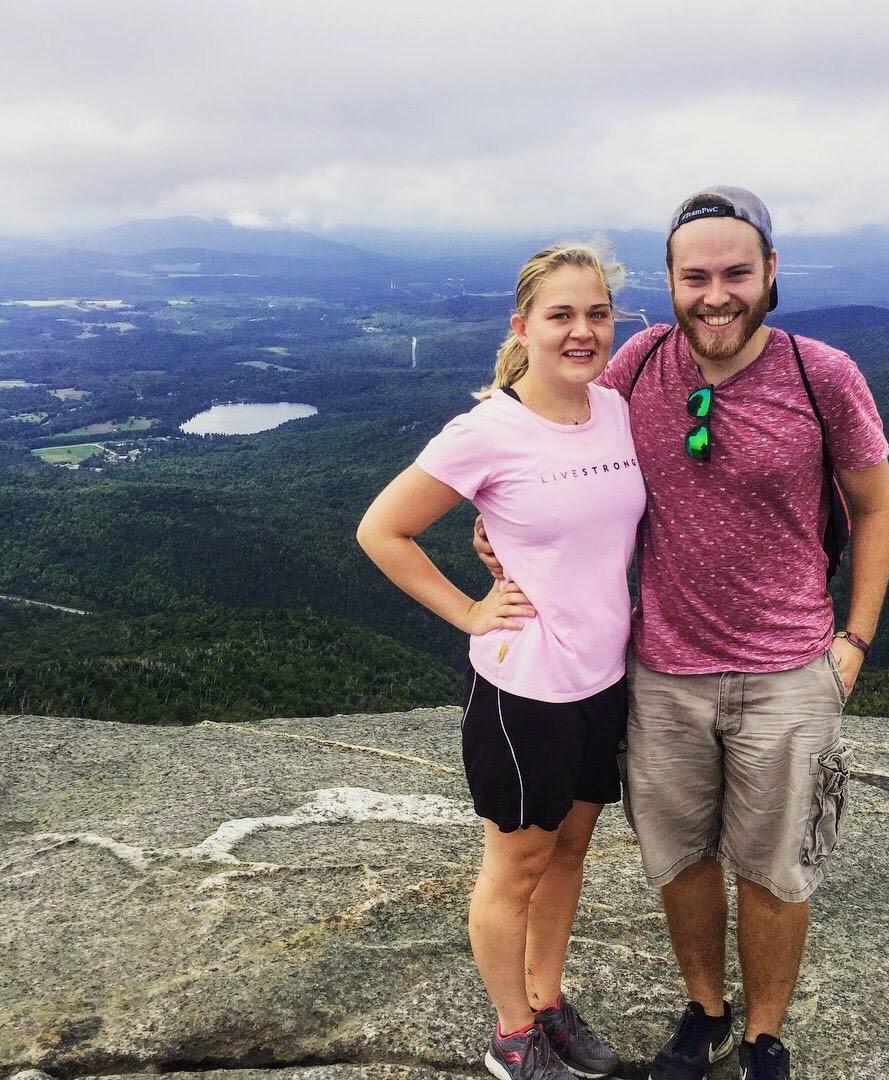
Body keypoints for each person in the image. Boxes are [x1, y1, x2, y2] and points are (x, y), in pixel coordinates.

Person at [475, 188, 889, 1080]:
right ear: (668, 285)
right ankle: (706, 1012)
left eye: (736, 272)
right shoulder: (641, 363)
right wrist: (499, 527)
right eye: (694, 276)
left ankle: (765, 1034)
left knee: (777, 871)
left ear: (770, 273)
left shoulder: (823, 375)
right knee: (682, 860)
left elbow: (874, 506)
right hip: (662, 670)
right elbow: (549, 424)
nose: (716, 293)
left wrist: (854, 641)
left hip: (790, 669)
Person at [357, 243, 645, 1080]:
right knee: (516, 863)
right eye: (561, 315)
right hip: (527, 689)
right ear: (524, 327)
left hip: (604, 679)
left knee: (571, 850)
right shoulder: (487, 430)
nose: (582, 331)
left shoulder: (617, 410)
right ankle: (512, 1034)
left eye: (597, 313)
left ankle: (548, 1002)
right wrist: (470, 611)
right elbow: (382, 530)